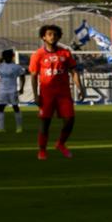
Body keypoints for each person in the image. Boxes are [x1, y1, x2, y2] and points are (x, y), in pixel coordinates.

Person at [28, 24, 83, 161]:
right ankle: (42, 150)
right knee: (45, 123)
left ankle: (60, 143)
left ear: (59, 36)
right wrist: (36, 95)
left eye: (55, 34)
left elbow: (73, 71)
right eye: (50, 34)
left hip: (64, 94)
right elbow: (34, 76)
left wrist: (80, 88)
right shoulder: (38, 54)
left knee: (70, 120)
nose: (53, 37)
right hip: (47, 94)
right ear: (43, 37)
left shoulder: (65, 53)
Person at [0, 46, 26, 134]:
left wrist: (21, 88)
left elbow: (22, 76)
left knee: (15, 107)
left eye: (8, 56)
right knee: (0, 108)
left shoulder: (16, 67)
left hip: (12, 90)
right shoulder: (0, 67)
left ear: (12, 56)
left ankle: (19, 127)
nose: (7, 58)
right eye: (5, 56)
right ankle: (1, 128)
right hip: (2, 90)